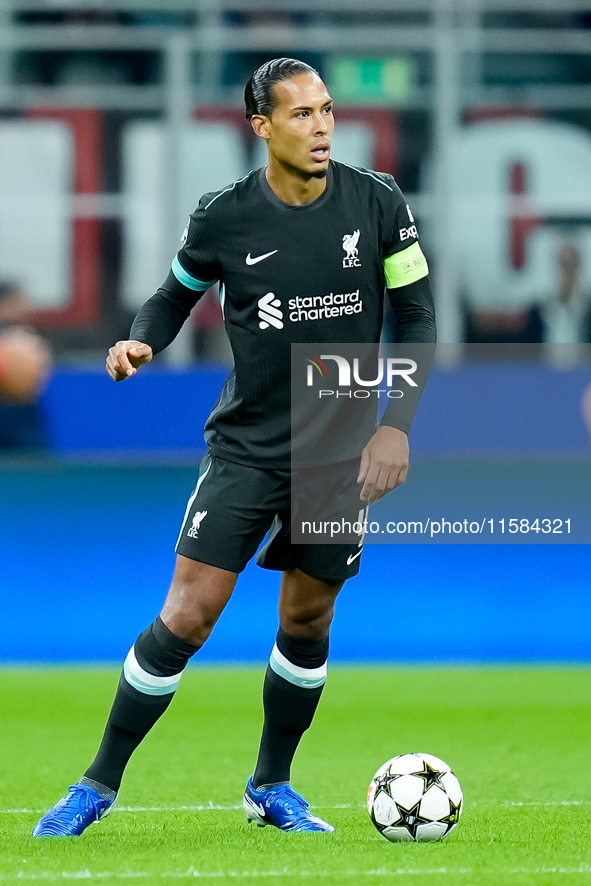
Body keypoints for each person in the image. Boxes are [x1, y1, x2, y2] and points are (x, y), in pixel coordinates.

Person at [33, 57, 436, 838]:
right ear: (261, 127)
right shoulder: (223, 216)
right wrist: (142, 341)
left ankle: (271, 786)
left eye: (326, 111)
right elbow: (173, 292)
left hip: (339, 456)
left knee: (308, 622)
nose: (321, 127)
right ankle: (95, 785)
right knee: (187, 615)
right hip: (248, 448)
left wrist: (395, 425)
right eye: (301, 115)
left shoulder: (379, 201)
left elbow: (415, 317)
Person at [0, 282, 52, 450]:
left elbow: (30, 382)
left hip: (22, 416)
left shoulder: (26, 338)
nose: (27, 307)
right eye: (19, 301)